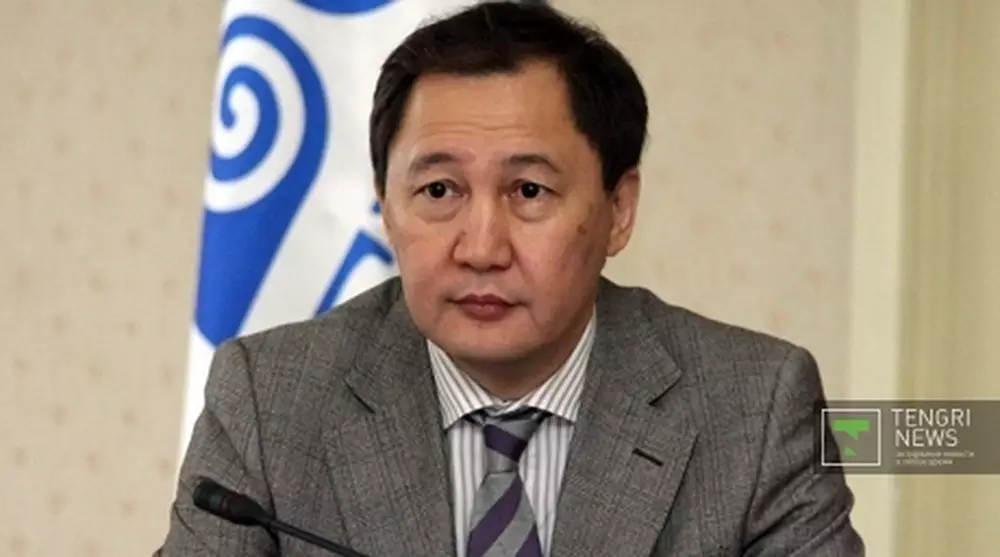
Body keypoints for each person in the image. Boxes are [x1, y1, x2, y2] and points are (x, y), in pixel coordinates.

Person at [156, 2, 864, 556]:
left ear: (618, 210)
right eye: (439, 191)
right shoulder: (270, 400)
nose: (481, 247)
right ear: (385, 206)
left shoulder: (757, 408)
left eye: (529, 191)